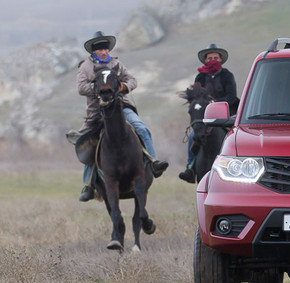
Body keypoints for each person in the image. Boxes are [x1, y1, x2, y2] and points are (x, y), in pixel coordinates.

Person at [76, 31, 169, 201]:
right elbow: (81, 87)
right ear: (93, 51)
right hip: (97, 112)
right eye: (100, 50)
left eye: (105, 49)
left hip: (121, 107)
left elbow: (132, 80)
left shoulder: (117, 64)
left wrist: (122, 88)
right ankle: (88, 185)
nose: (104, 52)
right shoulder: (85, 67)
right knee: (87, 142)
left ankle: (154, 162)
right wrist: (98, 89)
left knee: (141, 128)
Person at [178, 44, 239, 183]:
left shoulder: (227, 75)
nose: (212, 60)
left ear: (221, 59)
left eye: (215, 58)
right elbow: (197, 96)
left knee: (234, 135)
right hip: (205, 115)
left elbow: (231, 96)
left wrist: (215, 104)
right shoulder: (200, 76)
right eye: (210, 58)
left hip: (226, 112)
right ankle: (190, 167)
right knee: (194, 135)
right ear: (205, 60)